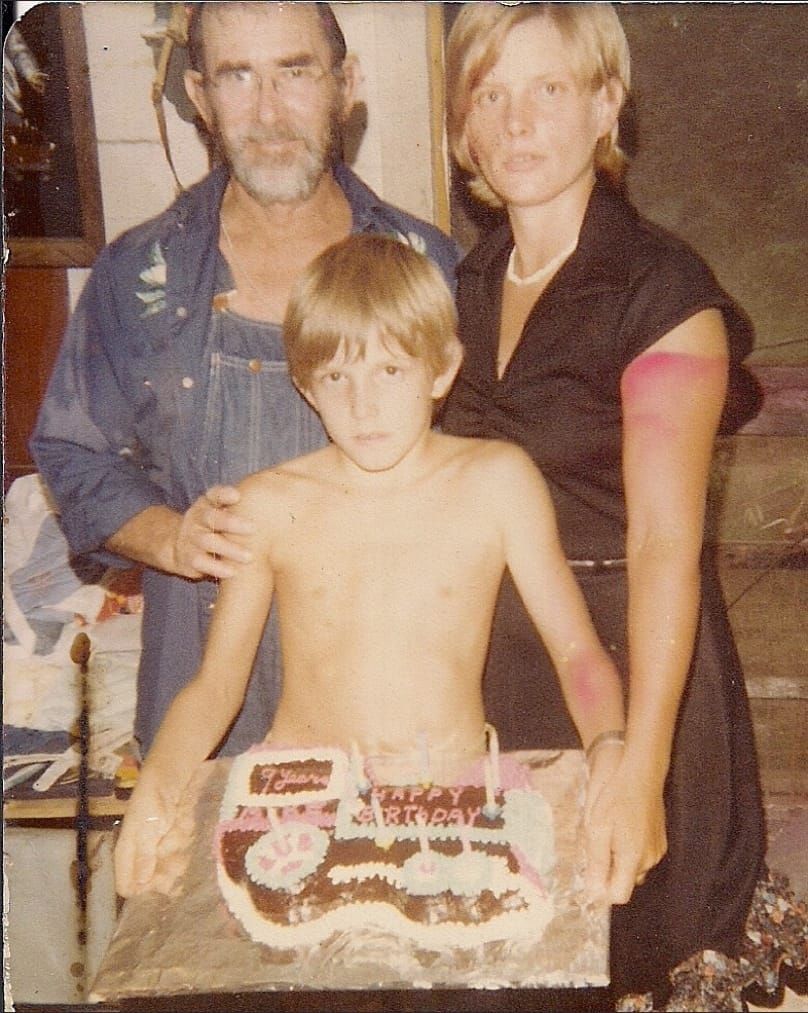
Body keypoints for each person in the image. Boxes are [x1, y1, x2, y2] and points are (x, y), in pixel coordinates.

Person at [114, 233, 629, 905]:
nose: (364, 405)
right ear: (305, 386)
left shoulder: (498, 481)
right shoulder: (266, 503)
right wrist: (156, 787)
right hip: (303, 796)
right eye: (337, 376)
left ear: (441, 371)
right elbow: (215, 686)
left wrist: (613, 750)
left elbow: (577, 651)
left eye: (390, 370)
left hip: (453, 792)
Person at [439, 3, 766, 1004]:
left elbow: (669, 545)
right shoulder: (464, 283)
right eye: (490, 94)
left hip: (633, 659)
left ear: (604, 106)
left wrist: (642, 763)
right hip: (498, 664)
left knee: (628, 954)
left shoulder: (662, 292)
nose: (518, 122)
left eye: (549, 89)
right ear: (462, 129)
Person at [30, 2, 459, 758]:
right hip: (201, 690)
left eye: (295, 72)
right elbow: (70, 452)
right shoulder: (139, 272)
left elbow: (476, 477)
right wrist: (170, 536)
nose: (268, 111)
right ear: (199, 98)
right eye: (238, 77)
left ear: (345, 84)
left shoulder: (427, 266)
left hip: (389, 685)